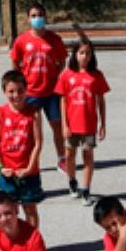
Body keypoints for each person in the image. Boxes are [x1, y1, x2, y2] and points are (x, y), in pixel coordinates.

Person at [10, 1, 68, 172]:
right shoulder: (21, 40)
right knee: (29, 129)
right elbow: (15, 61)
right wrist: (20, 82)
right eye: (33, 16)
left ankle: (61, 159)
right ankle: (29, 161)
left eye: (40, 15)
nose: (37, 18)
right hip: (31, 93)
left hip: (51, 92)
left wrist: (55, 75)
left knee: (57, 126)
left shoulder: (55, 39)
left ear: (45, 17)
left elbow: (62, 61)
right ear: (28, 18)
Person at [54, 38, 109, 205]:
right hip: (71, 125)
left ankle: (86, 189)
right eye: (81, 53)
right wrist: (64, 125)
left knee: (88, 157)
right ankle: (72, 181)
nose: (85, 56)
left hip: (89, 125)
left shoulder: (96, 75)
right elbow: (63, 101)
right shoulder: (67, 75)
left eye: (88, 53)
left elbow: (101, 100)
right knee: (70, 155)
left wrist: (103, 124)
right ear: (75, 54)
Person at [0, 70, 45, 229]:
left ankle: (33, 242)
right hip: (8, 173)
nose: (16, 95)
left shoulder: (34, 112)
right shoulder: (0, 113)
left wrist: (29, 168)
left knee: (30, 209)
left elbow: (38, 142)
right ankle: (13, 241)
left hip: (28, 172)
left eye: (20, 91)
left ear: (26, 90)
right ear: (4, 92)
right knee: (8, 211)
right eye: (11, 91)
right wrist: (0, 167)